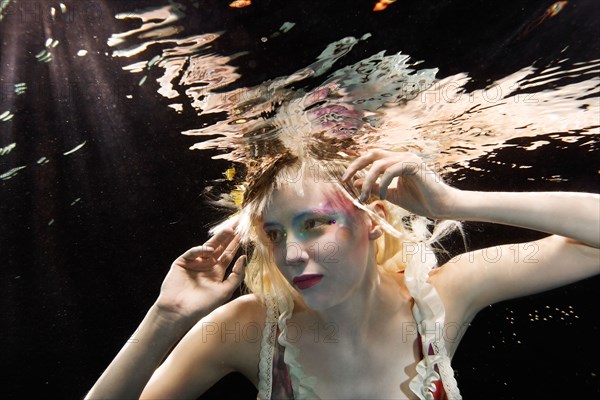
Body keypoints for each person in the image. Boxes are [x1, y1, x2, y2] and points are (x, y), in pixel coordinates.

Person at [85, 149, 599, 400]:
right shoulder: (247, 329)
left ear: (371, 220)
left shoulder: (444, 294)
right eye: (276, 233)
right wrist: (165, 317)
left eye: (314, 224)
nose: (290, 254)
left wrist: (453, 202)